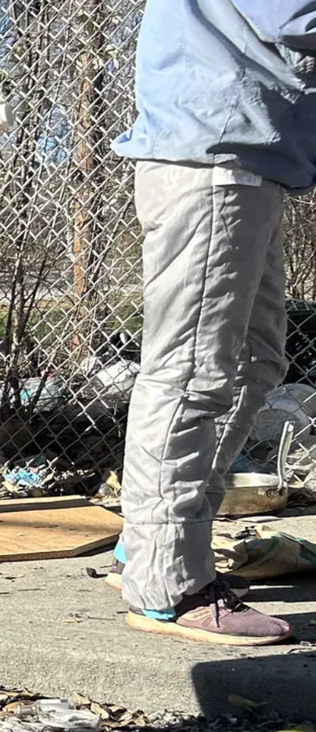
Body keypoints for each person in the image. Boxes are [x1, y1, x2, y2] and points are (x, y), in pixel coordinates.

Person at [110, 0, 314, 646]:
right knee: (190, 374)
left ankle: (153, 540)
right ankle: (168, 580)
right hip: (215, 153)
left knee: (256, 362)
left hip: (242, 152)